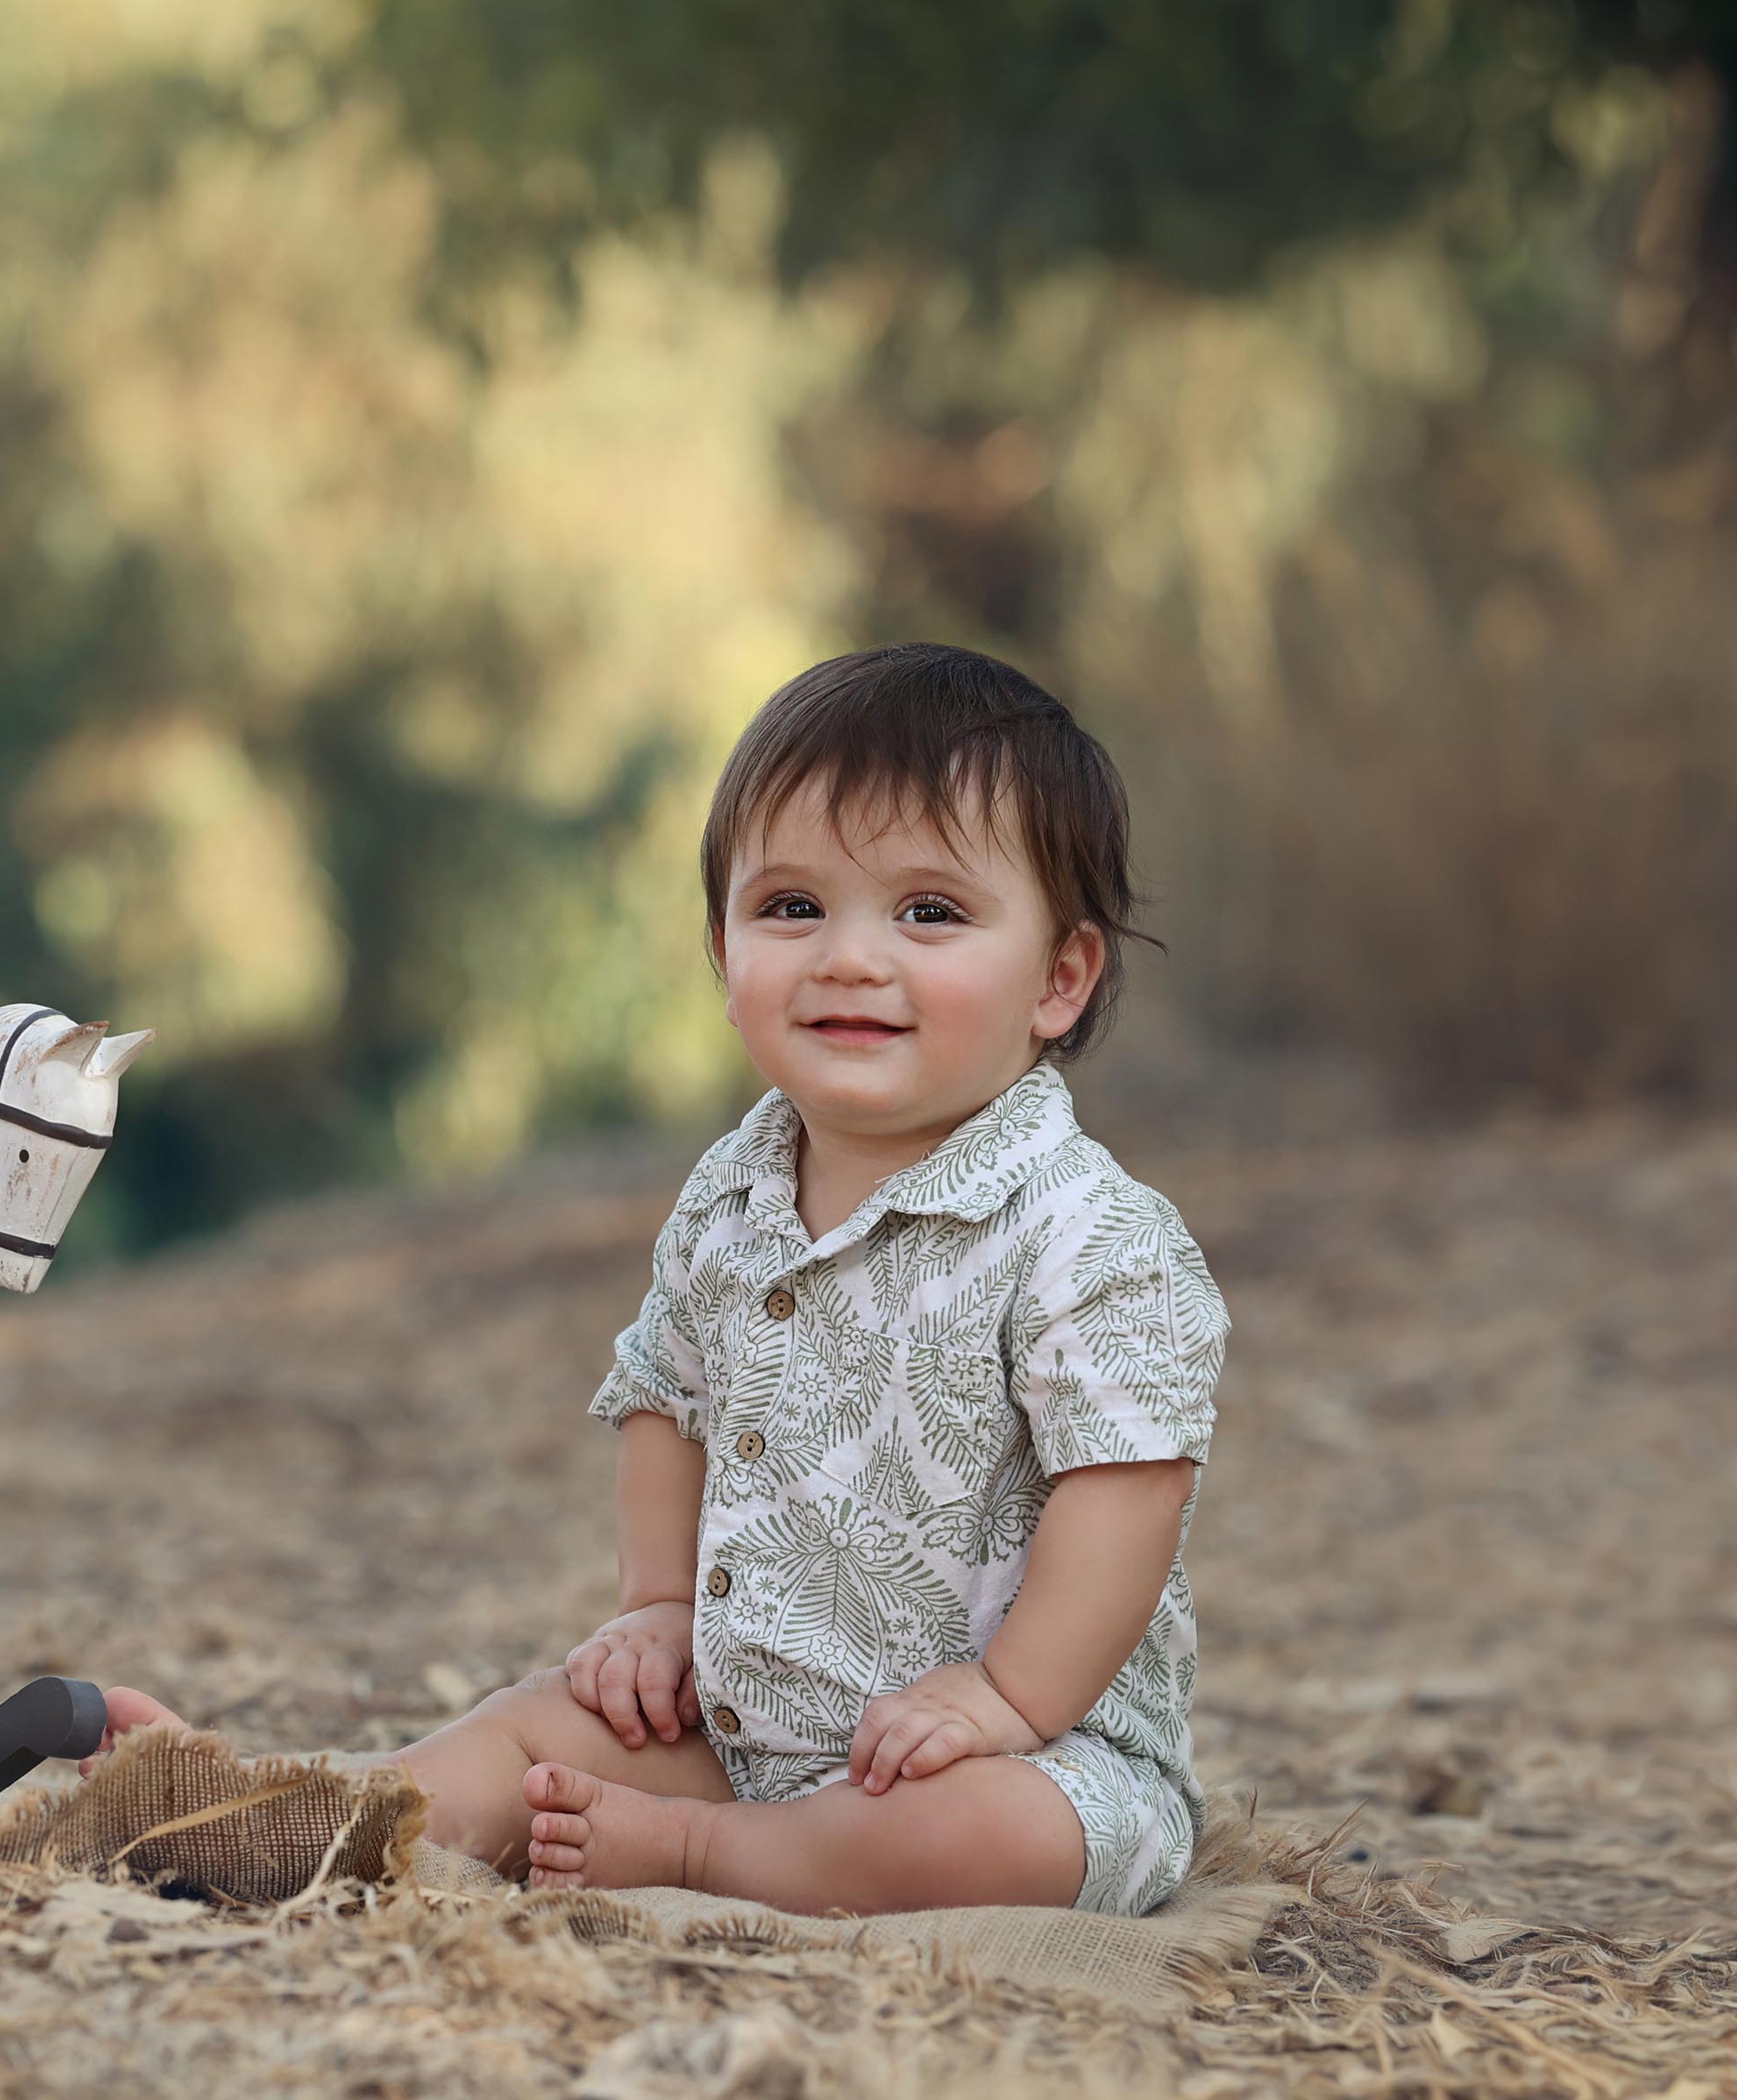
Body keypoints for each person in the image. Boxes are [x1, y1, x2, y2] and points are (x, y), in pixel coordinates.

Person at [104, 645, 1225, 1915]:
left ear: (1060, 979)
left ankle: (700, 1857)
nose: (850, 957)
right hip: (749, 1726)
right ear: (721, 943)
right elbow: (669, 1398)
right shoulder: (731, 1196)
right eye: (793, 907)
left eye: (930, 912)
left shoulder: (1087, 1230)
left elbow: (1128, 1486)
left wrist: (1007, 1694)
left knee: (991, 1836)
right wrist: (657, 1606)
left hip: (1019, 1752)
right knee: (531, 1727)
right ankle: (289, 1819)